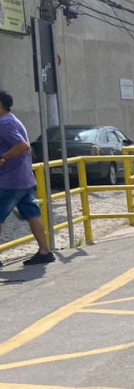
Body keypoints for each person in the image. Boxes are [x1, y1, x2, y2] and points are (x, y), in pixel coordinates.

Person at [0, 91, 54, 266]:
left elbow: (23, 146)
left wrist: (3, 156)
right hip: (23, 179)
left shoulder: (4, 123)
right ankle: (45, 251)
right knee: (32, 215)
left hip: (9, 181)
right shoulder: (12, 119)